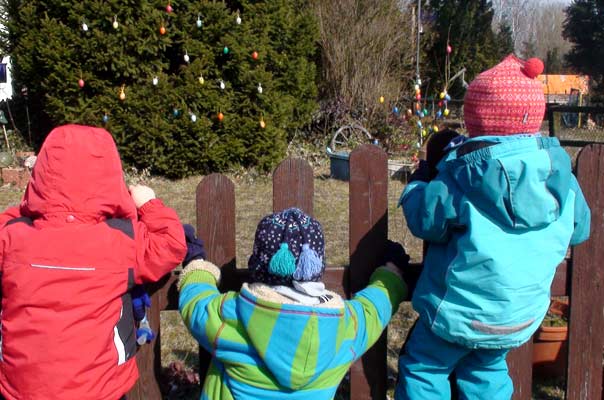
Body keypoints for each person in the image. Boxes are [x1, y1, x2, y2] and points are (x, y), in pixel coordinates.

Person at [396, 55, 591, 400]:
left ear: (477, 118)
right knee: (485, 372)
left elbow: (425, 220)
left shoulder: (462, 175)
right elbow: (580, 230)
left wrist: (418, 184)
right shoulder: (561, 180)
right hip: (516, 317)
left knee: (425, 367)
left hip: (456, 315)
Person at [0, 124, 187, 400]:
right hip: (98, 388)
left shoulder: (14, 236)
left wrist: (32, 205)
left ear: (41, 176)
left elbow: (9, 220)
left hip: (22, 388)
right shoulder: (121, 240)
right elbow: (171, 244)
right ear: (112, 179)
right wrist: (148, 204)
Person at [179, 207, 410, 400]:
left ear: (258, 264)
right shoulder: (344, 326)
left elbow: (196, 302)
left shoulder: (232, 316)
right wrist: (390, 274)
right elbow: (374, 308)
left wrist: (197, 264)